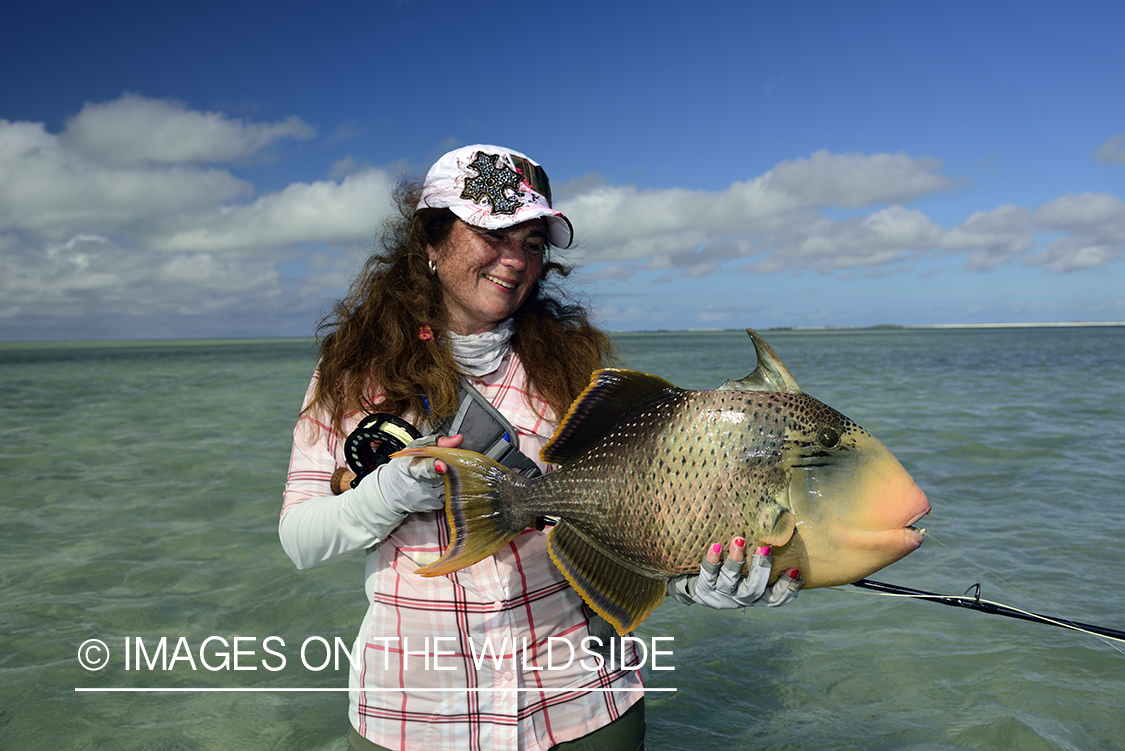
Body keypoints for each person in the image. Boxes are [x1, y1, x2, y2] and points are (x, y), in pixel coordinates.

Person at [279, 145, 802, 751]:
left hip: (585, 701)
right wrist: (389, 492)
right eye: (493, 234)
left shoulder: (576, 369)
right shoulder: (353, 374)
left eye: (531, 243)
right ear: (430, 240)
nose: (515, 260)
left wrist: (692, 577)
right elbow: (301, 541)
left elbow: (639, 514)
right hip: (416, 712)